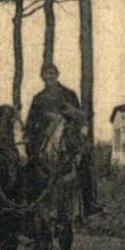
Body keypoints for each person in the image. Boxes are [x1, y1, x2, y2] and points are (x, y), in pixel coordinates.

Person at [26, 63, 100, 217]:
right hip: (44, 138)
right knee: (30, 164)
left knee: (85, 161)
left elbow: (80, 116)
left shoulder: (69, 94)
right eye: (46, 74)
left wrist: (70, 115)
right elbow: (30, 122)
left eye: (52, 73)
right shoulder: (38, 98)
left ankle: (89, 203)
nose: (49, 77)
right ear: (42, 77)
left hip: (68, 135)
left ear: (57, 75)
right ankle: (29, 203)